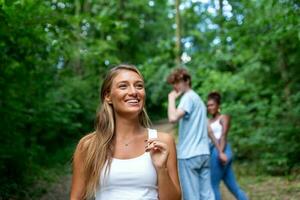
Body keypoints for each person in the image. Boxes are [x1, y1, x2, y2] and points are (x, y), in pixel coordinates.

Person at [70, 64, 181, 200]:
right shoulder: (88, 145)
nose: (134, 92)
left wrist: (161, 169)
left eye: (139, 86)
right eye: (123, 86)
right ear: (108, 96)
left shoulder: (163, 141)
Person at [167, 68, 214, 200]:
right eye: (174, 83)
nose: (176, 86)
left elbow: (172, 118)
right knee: (207, 196)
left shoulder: (188, 98)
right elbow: (208, 129)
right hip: (204, 154)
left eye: (178, 82)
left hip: (189, 155)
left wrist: (171, 99)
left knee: (191, 197)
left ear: (187, 81)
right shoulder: (198, 100)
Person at [207, 92, 248, 200]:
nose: (209, 107)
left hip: (221, 150)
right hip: (214, 151)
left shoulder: (224, 117)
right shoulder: (208, 121)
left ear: (218, 105)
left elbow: (223, 135)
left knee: (213, 185)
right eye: (208, 105)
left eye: (212, 105)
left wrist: (220, 152)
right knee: (233, 187)